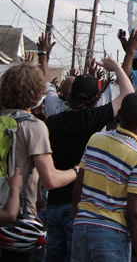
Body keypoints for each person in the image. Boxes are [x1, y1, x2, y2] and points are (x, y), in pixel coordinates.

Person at [45, 58, 135, 262]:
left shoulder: (52, 121)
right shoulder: (95, 118)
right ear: (96, 98)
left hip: (53, 203)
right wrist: (117, 68)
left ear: (69, 94)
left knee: (53, 256)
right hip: (81, 204)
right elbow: (128, 95)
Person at [0, 63, 79, 262]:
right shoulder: (33, 126)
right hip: (19, 223)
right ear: (35, 92)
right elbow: (50, 179)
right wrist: (77, 170)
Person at [71, 93, 137, 262]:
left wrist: (79, 223)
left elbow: (77, 190)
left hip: (81, 229)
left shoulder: (95, 139)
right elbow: (133, 213)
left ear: (120, 113)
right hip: (111, 236)